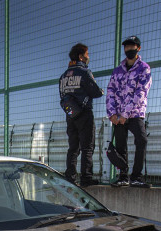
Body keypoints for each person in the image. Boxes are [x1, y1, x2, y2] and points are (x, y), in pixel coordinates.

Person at [106, 35, 152, 188]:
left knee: (141, 140)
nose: (129, 49)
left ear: (138, 48)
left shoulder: (144, 68)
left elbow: (141, 92)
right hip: (118, 116)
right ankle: (123, 176)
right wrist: (112, 114)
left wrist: (125, 114)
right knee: (120, 145)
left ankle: (137, 176)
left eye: (132, 46)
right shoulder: (117, 71)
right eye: (126, 46)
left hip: (135, 114)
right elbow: (110, 91)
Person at [59, 42, 104, 187]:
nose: (88, 57)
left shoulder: (63, 76)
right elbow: (95, 92)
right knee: (87, 146)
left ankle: (70, 177)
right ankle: (86, 177)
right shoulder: (84, 72)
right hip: (84, 113)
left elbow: (62, 95)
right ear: (80, 56)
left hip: (70, 114)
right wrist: (101, 91)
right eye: (87, 54)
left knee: (73, 147)